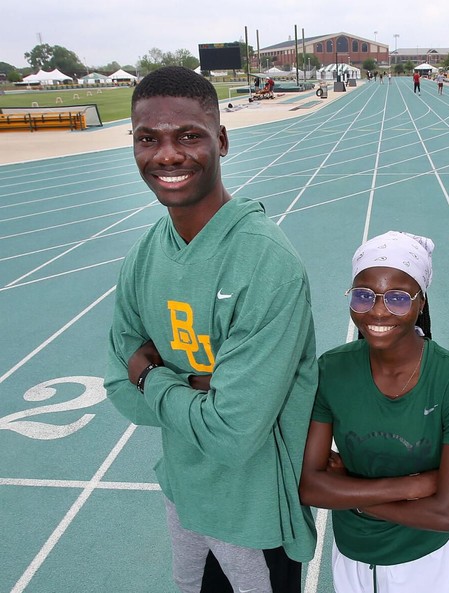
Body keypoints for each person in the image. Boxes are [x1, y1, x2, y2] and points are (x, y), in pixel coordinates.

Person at [104, 66, 317, 593]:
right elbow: (116, 388)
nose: (167, 155)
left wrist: (154, 378)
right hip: (183, 495)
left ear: (221, 140)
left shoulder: (266, 262)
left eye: (188, 136)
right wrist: (202, 386)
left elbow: (234, 433)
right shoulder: (145, 253)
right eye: (147, 138)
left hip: (254, 513)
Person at [300, 231, 449, 593]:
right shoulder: (330, 371)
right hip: (352, 554)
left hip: (425, 561)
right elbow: (309, 486)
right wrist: (412, 486)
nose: (378, 311)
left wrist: (354, 499)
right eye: (363, 295)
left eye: (399, 298)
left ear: (421, 302)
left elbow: (448, 515)